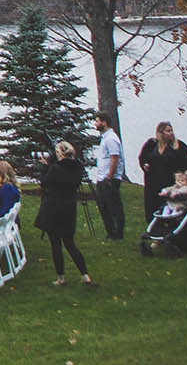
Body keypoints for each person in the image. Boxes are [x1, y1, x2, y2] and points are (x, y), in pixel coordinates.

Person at [37, 140, 95, 287]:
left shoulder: (55, 169)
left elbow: (45, 182)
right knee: (69, 243)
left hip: (53, 208)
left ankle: (61, 277)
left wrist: (45, 167)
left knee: (56, 244)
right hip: (69, 207)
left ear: (59, 153)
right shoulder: (78, 168)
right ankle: (85, 274)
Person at [138, 121, 187, 221]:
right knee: (153, 204)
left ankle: (172, 221)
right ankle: (153, 224)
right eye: (167, 131)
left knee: (170, 204)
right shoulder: (151, 144)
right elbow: (142, 157)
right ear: (160, 133)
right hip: (153, 181)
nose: (171, 133)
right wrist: (145, 164)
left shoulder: (179, 146)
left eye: (171, 130)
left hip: (170, 180)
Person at [91, 113, 126, 240]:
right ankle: (110, 232)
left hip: (109, 179)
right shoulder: (105, 138)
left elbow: (114, 158)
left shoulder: (111, 138)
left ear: (104, 122)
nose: (95, 124)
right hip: (102, 178)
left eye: (97, 121)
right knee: (103, 206)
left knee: (114, 206)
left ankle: (117, 233)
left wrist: (109, 177)